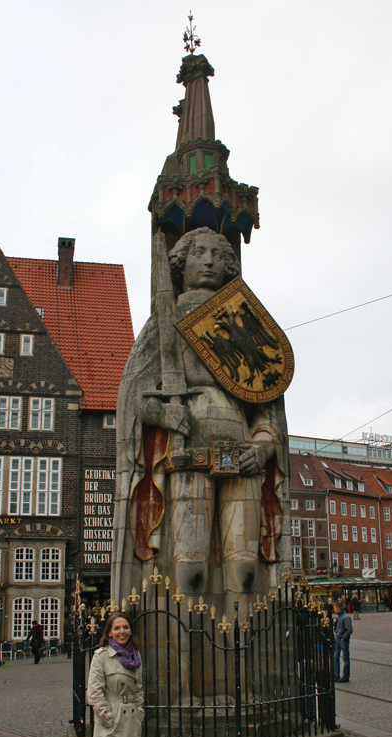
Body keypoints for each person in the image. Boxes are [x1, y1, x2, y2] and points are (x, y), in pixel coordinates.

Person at [112, 227, 289, 619]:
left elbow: (265, 406)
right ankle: (184, 666)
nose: (208, 261)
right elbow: (134, 394)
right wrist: (163, 413)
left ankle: (244, 661)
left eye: (216, 254)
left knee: (244, 571)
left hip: (241, 456)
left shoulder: (243, 321)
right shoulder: (166, 319)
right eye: (198, 253)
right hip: (188, 454)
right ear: (181, 262)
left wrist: (261, 449)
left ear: (228, 265)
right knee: (188, 571)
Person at [87, 614, 144, 737]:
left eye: (126, 627)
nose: (122, 632)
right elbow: (94, 693)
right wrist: (109, 719)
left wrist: (139, 715)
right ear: (109, 632)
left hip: (128, 724)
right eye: (117, 628)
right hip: (112, 726)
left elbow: (138, 690)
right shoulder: (101, 656)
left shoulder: (134, 656)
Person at [333, 602, 353, 683]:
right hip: (338, 639)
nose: (334, 610)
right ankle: (336, 675)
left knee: (345, 658)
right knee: (335, 657)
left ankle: (345, 676)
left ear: (338, 608)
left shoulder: (345, 617)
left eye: (335, 608)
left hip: (342, 640)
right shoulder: (340, 617)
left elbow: (349, 629)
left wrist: (343, 638)